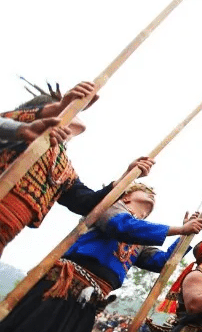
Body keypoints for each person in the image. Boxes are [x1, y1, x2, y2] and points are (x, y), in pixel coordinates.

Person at [0, 183, 202, 332]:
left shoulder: (139, 237)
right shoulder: (110, 206)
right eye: (144, 189)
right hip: (62, 288)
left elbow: (160, 262)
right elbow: (120, 227)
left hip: (88, 302)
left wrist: (185, 235)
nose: (152, 193)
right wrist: (177, 229)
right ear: (127, 197)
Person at [0, 81, 154, 258]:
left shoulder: (62, 167)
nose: (76, 121)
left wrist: (125, 178)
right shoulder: (18, 129)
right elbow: (9, 123)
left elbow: (87, 203)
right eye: (70, 114)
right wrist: (61, 106)